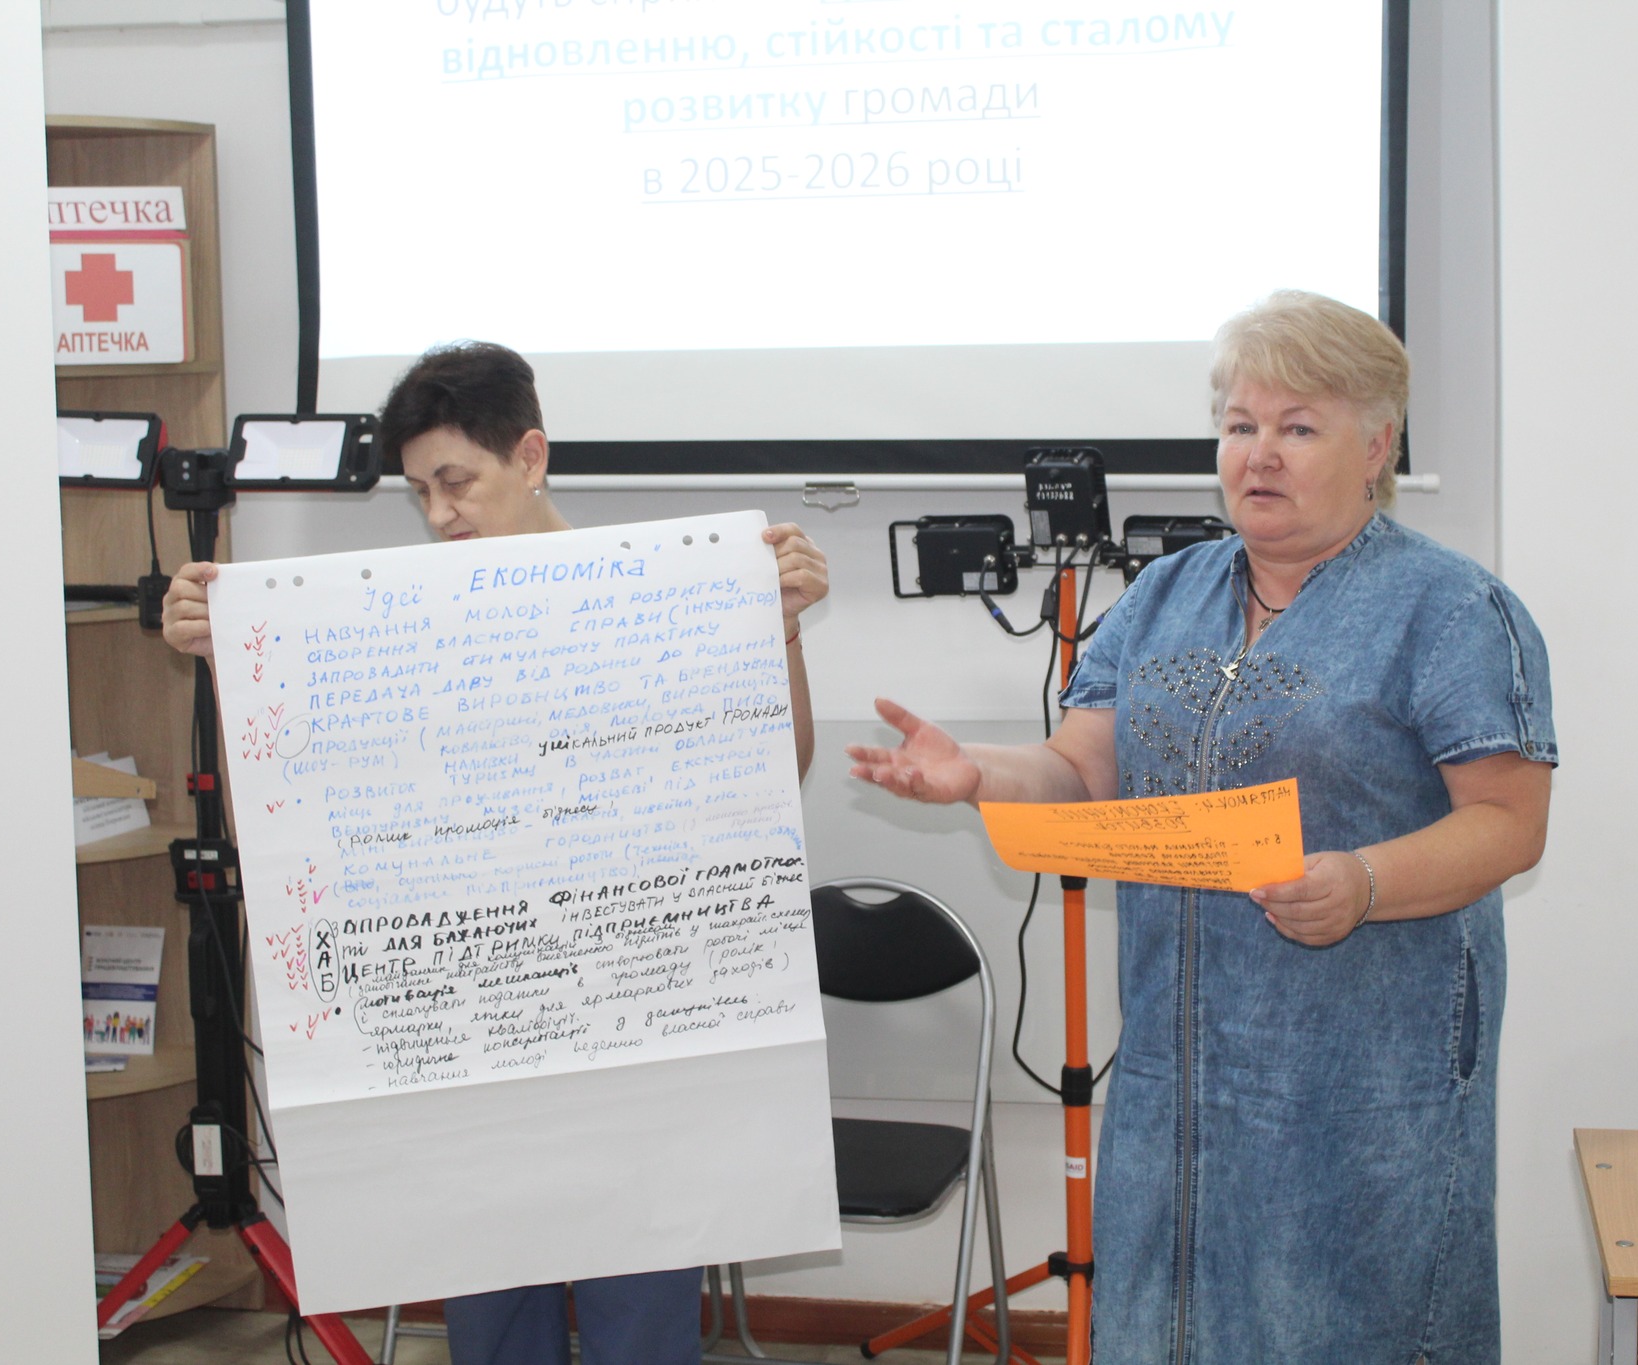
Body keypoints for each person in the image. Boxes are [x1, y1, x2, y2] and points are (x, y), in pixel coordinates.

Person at [847, 291, 1554, 1363]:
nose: (1258, 454)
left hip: (1362, 1083)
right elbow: (1080, 770)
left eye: (1297, 427)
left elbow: (1507, 822)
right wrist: (976, 775)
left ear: (1376, 448)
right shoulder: (1164, 595)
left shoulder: (1451, 609)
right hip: (1174, 1078)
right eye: (1238, 425)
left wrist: (1361, 882)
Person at [161, 341, 830, 1365]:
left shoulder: (658, 595)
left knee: (641, 1330)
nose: (438, 513)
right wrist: (228, 662)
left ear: (529, 455)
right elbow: (287, 829)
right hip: (470, 1048)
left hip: (635, 1032)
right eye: (419, 492)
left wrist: (776, 628)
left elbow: (773, 772)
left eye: (455, 482)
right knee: (493, 1329)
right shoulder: (383, 632)